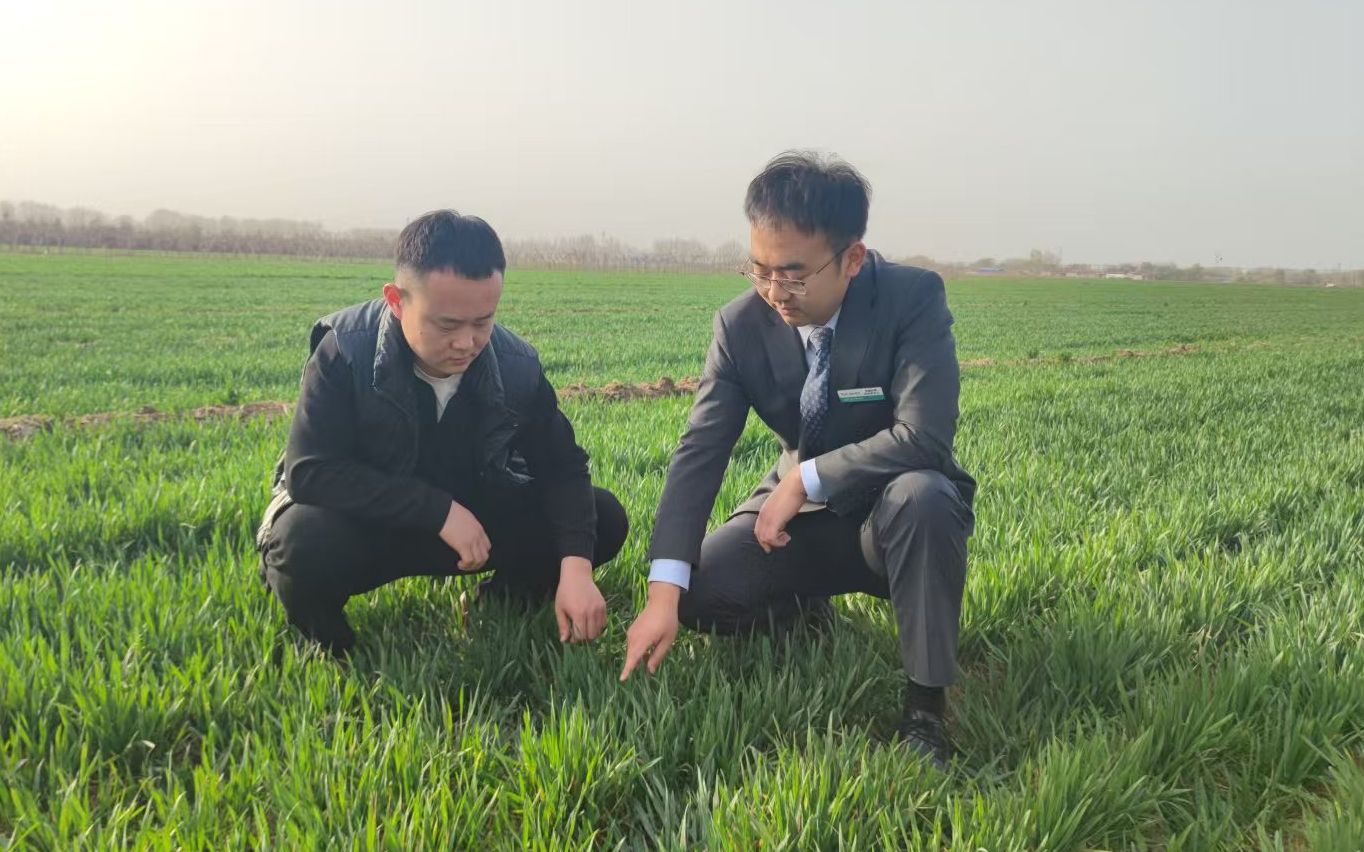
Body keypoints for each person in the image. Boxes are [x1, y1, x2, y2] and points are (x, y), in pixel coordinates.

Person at [620, 151, 976, 767]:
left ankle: (925, 709)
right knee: (700, 593)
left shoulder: (911, 299)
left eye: (794, 275)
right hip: (799, 523)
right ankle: (805, 610)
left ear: (852, 258)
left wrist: (807, 478)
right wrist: (662, 591)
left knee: (923, 496)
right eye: (759, 270)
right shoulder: (740, 326)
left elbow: (923, 437)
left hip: (896, 515)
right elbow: (700, 451)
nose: (774, 292)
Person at [256, 210, 628, 655]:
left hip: (477, 521)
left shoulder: (516, 366)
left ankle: (506, 601)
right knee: (299, 541)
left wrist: (577, 569)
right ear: (396, 301)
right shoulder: (346, 352)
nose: (467, 343)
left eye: (483, 321)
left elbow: (563, 468)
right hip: (375, 522)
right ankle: (333, 649)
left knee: (603, 517)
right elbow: (310, 472)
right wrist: (437, 510)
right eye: (447, 324)